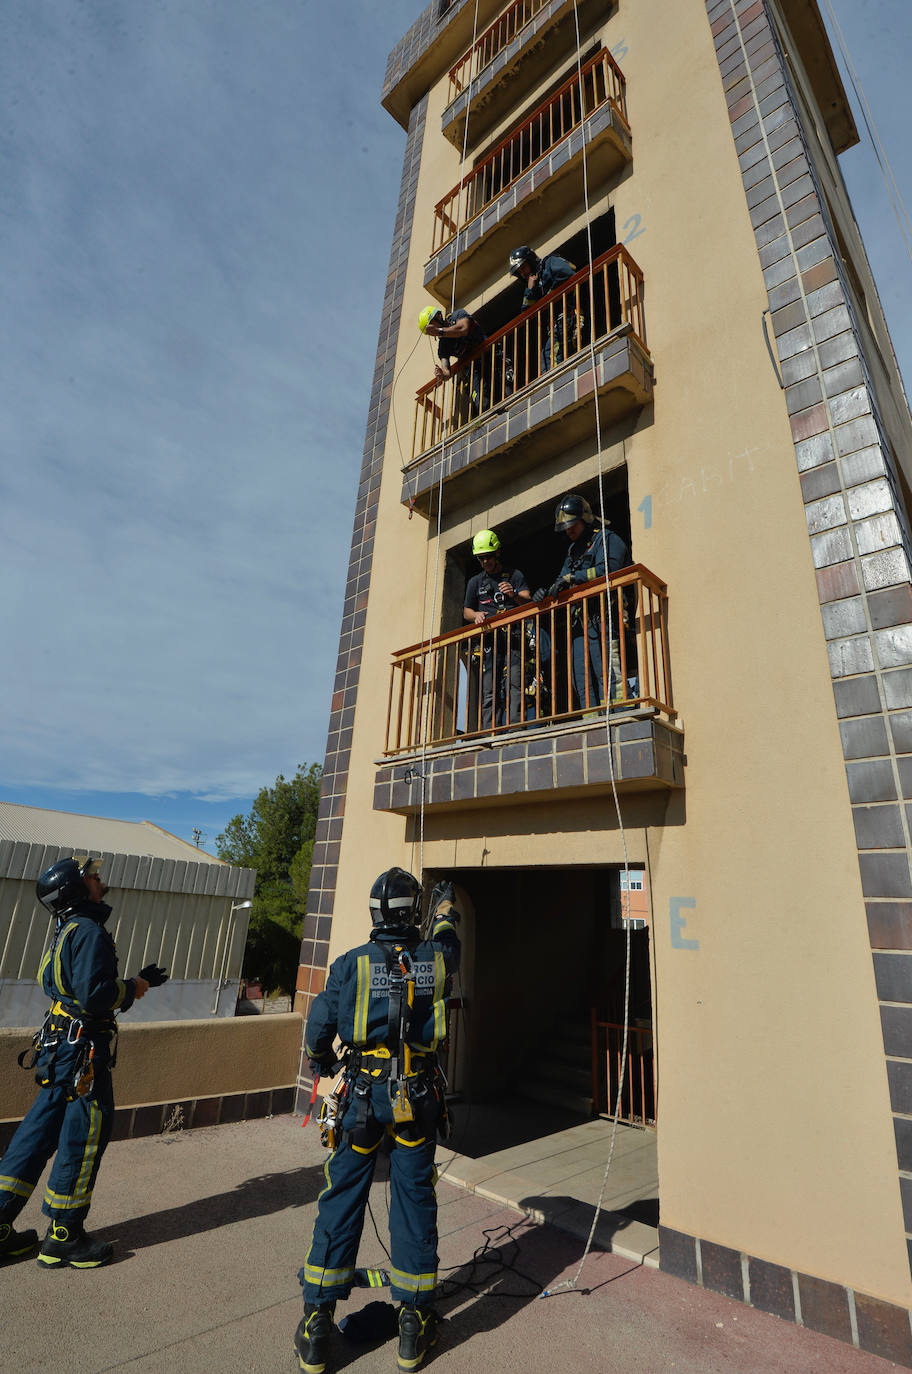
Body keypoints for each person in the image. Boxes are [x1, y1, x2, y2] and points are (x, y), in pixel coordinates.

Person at [295, 869, 461, 1374]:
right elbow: (448, 943)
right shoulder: (436, 958)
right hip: (417, 1101)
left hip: (363, 1102)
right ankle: (412, 1324)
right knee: (414, 1199)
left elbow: (319, 1026)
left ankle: (317, 1324)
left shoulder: (350, 964)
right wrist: (447, 912)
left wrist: (323, 1063)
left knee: (342, 1196)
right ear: (413, 914)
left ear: (373, 914)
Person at [0, 856, 168, 1269]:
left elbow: (72, 989)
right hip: (81, 1053)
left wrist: (133, 983)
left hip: (59, 1049)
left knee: (37, 1134)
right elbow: (94, 996)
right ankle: (65, 1235)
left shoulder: (66, 930)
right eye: (91, 877)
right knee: (86, 1132)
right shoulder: (90, 931)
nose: (99, 880)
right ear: (77, 890)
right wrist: (131, 987)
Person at [547, 493, 631, 711]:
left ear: (584, 518)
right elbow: (561, 579)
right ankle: (591, 722)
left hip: (604, 614)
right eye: (565, 526)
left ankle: (622, 714)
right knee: (581, 677)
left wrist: (575, 578)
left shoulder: (606, 538)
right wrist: (545, 593)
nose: (569, 530)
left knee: (608, 671)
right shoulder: (572, 551)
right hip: (580, 622)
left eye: (572, 524)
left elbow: (609, 569)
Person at [463, 528, 531, 731]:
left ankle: (516, 729)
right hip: (489, 642)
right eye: (481, 558)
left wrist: (514, 594)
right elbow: (466, 611)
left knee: (516, 684)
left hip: (514, 637)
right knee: (489, 688)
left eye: (488, 557)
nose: (485, 562)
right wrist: (476, 615)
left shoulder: (514, 575)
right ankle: (489, 732)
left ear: (497, 553)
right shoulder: (475, 582)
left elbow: (528, 599)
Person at [508, 244, 578, 372]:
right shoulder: (532, 284)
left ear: (531, 261)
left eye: (523, 267)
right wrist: (531, 289)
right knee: (546, 357)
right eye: (519, 272)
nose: (523, 273)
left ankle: (558, 384)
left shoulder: (550, 262)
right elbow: (526, 312)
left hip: (567, 316)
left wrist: (549, 296)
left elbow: (569, 273)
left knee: (554, 356)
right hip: (554, 325)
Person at [418, 303, 486, 384]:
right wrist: (442, 375)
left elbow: (463, 329)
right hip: (475, 370)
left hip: (488, 352)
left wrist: (439, 331)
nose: (432, 332)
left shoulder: (458, 315)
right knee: (479, 395)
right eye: (429, 332)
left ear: (438, 316)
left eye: (431, 326)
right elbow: (447, 371)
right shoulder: (443, 346)